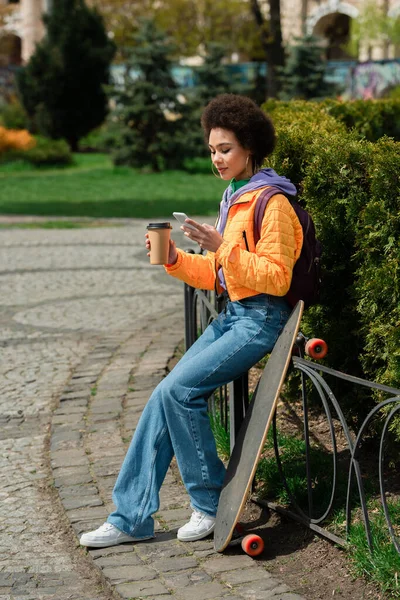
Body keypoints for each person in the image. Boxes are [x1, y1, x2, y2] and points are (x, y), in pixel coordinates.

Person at [80, 94, 303, 548]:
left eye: (225, 149)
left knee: (181, 391)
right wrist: (177, 259)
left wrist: (222, 245)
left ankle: (210, 504)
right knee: (165, 394)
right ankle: (130, 517)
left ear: (250, 147)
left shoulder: (272, 202)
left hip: (260, 319)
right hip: (235, 313)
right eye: (212, 150)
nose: (217, 158)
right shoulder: (234, 197)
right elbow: (222, 275)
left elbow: (277, 280)